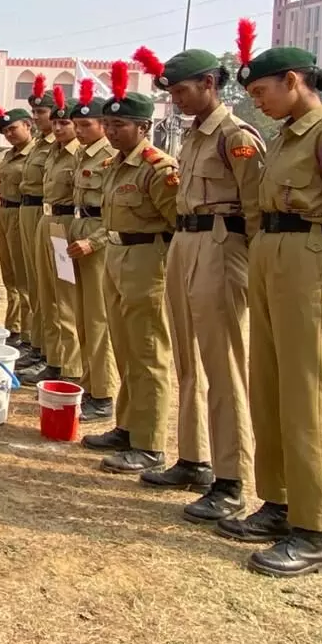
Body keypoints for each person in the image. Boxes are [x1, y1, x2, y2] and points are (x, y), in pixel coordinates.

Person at [217, 35, 322, 577]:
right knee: (268, 387)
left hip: (310, 266)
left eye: (262, 90)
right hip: (272, 258)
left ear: (293, 81)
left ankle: (312, 530)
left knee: (306, 399)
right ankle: (278, 502)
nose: (257, 101)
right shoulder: (286, 136)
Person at [141, 44, 263, 520]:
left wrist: (252, 269)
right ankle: (194, 459)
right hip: (186, 245)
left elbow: (255, 211)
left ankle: (231, 480)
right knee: (187, 360)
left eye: (184, 90)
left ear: (211, 84)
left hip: (221, 246)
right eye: (172, 93)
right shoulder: (192, 137)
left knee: (223, 366)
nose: (178, 100)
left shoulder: (235, 136)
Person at [81, 63, 178, 476]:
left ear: (143, 126)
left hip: (148, 263)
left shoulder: (159, 168)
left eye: (119, 124)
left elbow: (178, 225)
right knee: (123, 347)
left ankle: (150, 443)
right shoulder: (115, 166)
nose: (111, 131)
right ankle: (128, 425)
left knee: (148, 354)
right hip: (118, 258)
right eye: (108, 123)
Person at [65, 79, 120, 422]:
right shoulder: (83, 153)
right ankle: (89, 383)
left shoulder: (111, 156)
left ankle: (103, 393)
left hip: (97, 241)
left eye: (87, 125)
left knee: (99, 320)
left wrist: (94, 241)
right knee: (83, 317)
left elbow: (116, 211)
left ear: (102, 125)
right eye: (78, 125)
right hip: (78, 232)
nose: (79, 130)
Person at [23, 86, 82, 386]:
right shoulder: (53, 152)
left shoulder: (79, 154)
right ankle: (52, 359)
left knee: (65, 300)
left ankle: (69, 366)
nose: (58, 127)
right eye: (55, 122)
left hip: (64, 226)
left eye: (64, 123)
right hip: (46, 222)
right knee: (46, 294)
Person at [16, 75, 54, 374]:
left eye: (42, 112)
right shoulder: (42, 144)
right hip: (30, 213)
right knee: (33, 282)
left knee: (50, 288)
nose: (36, 116)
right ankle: (37, 344)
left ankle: (49, 352)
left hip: (50, 214)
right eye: (36, 112)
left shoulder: (63, 144)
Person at [0, 104, 34, 353]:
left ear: (28, 126)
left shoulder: (36, 154)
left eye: (13, 129)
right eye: (6, 132)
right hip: (4, 213)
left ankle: (24, 332)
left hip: (22, 213)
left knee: (23, 277)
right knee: (9, 275)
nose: (9, 134)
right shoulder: (9, 155)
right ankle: (13, 326)